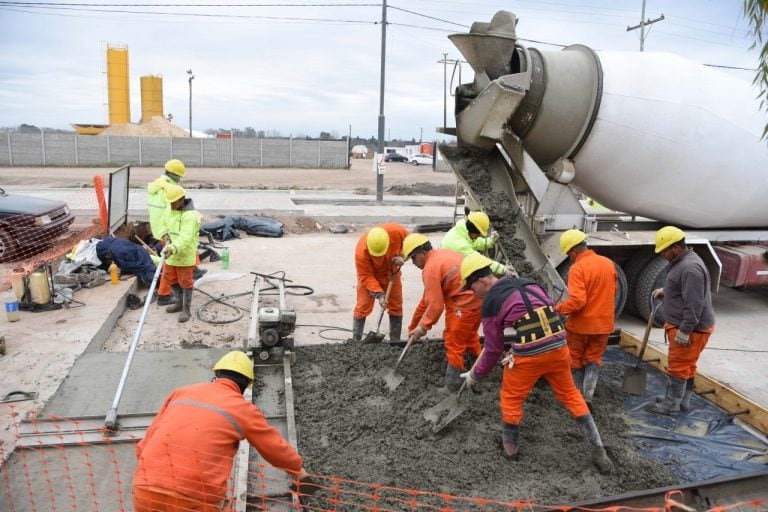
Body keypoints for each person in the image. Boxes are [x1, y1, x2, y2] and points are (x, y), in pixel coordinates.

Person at [459, 253, 614, 474]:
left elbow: (492, 349)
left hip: (528, 357)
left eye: (471, 288)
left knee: (511, 400)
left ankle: (510, 451)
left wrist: (476, 376)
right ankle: (599, 451)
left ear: (482, 281)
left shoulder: (491, 303)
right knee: (571, 395)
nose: (472, 294)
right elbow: (543, 313)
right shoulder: (531, 284)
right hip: (560, 348)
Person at [132, 351, 307, 512]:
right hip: (194, 499)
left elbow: (144, 444)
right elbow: (274, 447)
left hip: (144, 490)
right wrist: (298, 470)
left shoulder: (181, 393)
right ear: (246, 385)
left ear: (217, 375)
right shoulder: (241, 408)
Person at [646, 226, 715, 415]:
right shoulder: (683, 262)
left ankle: (671, 405)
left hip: (691, 329)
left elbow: (694, 303)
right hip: (692, 326)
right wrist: (666, 291)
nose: (662, 255)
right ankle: (682, 401)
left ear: (675, 248)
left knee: (678, 366)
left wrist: (685, 331)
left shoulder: (690, 268)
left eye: (663, 251)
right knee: (687, 365)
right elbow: (685, 289)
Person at [402, 233, 482, 391]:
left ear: (421, 253)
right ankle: (480, 370)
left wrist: (424, 327)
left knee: (453, 342)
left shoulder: (430, 269)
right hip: (479, 301)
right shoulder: (443, 255)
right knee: (470, 336)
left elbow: (436, 306)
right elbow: (427, 301)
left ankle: (453, 385)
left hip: (463, 305)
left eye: (413, 258)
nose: (413, 263)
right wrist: (414, 327)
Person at [555, 229, 617, 405]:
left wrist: (558, 309)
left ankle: (575, 398)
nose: (569, 257)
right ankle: (588, 394)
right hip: (604, 324)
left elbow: (577, 301)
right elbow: (613, 293)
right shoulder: (608, 263)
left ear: (574, 251)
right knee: (593, 358)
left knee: (574, 357)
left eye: (568, 254)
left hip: (581, 326)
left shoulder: (577, 268)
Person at [352, 223, 410, 342]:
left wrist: (403, 255)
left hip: (391, 272)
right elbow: (365, 275)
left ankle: (395, 341)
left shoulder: (396, 231)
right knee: (362, 305)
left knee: (396, 305)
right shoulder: (361, 251)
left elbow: (412, 243)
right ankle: (355, 340)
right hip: (370, 274)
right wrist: (379, 294)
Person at [147, 159, 186, 306]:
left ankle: (187, 275)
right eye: (179, 176)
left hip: (158, 229)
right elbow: (172, 212)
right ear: (174, 175)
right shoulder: (168, 189)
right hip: (167, 231)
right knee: (170, 262)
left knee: (172, 259)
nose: (180, 179)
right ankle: (163, 295)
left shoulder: (155, 186)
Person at [162, 184, 201, 323]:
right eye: (170, 202)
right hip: (171, 252)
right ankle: (178, 302)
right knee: (170, 277)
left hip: (184, 254)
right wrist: (165, 235)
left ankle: (186, 309)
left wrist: (172, 248)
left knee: (185, 282)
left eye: (174, 202)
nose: (171, 205)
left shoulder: (191, 216)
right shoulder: (171, 209)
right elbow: (165, 224)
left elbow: (185, 238)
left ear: (181, 200)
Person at [440, 211, 513, 277]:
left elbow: (475, 242)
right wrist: (503, 269)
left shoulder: (463, 230)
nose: (480, 236)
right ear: (474, 231)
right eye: (479, 234)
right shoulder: (460, 245)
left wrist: (491, 241)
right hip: (448, 274)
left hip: (452, 265)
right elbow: (478, 261)